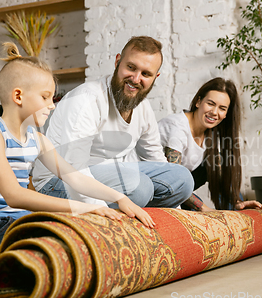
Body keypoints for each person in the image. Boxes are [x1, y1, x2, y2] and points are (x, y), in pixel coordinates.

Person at [0, 42, 155, 285]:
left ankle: (2, 267)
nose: (52, 104)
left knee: (74, 241)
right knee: (44, 259)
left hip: (22, 219)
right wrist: (80, 207)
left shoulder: (37, 139)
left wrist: (120, 199)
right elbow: (14, 196)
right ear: (18, 96)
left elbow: (75, 177)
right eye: (45, 97)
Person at [32, 36, 194, 209]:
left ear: (155, 77)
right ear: (118, 61)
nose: (136, 78)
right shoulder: (87, 99)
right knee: (139, 187)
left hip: (114, 177)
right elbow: (74, 169)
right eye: (131, 67)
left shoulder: (144, 108)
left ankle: (138, 212)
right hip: (59, 181)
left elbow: (156, 159)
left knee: (182, 179)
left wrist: (176, 211)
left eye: (146, 74)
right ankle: (127, 208)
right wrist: (103, 208)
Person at [158, 78, 262, 211]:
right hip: (157, 185)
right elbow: (173, 179)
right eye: (210, 103)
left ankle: (234, 205)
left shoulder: (209, 135)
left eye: (222, 108)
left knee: (217, 160)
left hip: (178, 185)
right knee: (194, 205)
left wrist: (236, 201)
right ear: (198, 102)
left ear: (226, 114)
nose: (214, 112)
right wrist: (204, 209)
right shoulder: (177, 127)